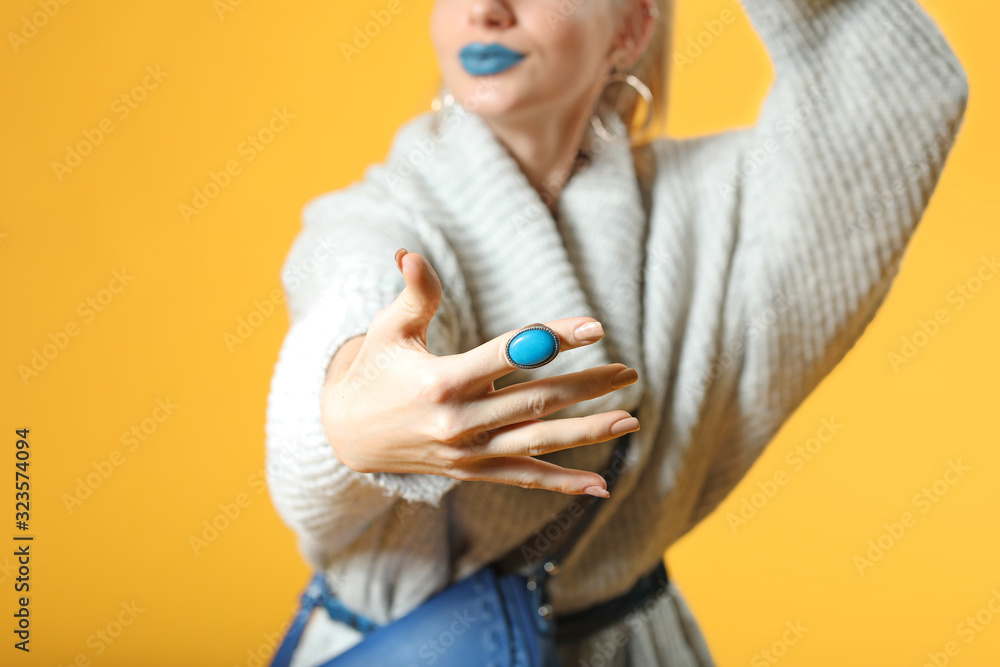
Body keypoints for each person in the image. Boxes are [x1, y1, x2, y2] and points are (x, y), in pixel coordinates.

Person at [265, 0, 969, 664]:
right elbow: (350, 311)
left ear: (630, 27)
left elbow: (887, 100)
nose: (487, 8)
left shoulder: (715, 206)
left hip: (631, 643)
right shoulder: (376, 218)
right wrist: (346, 415)